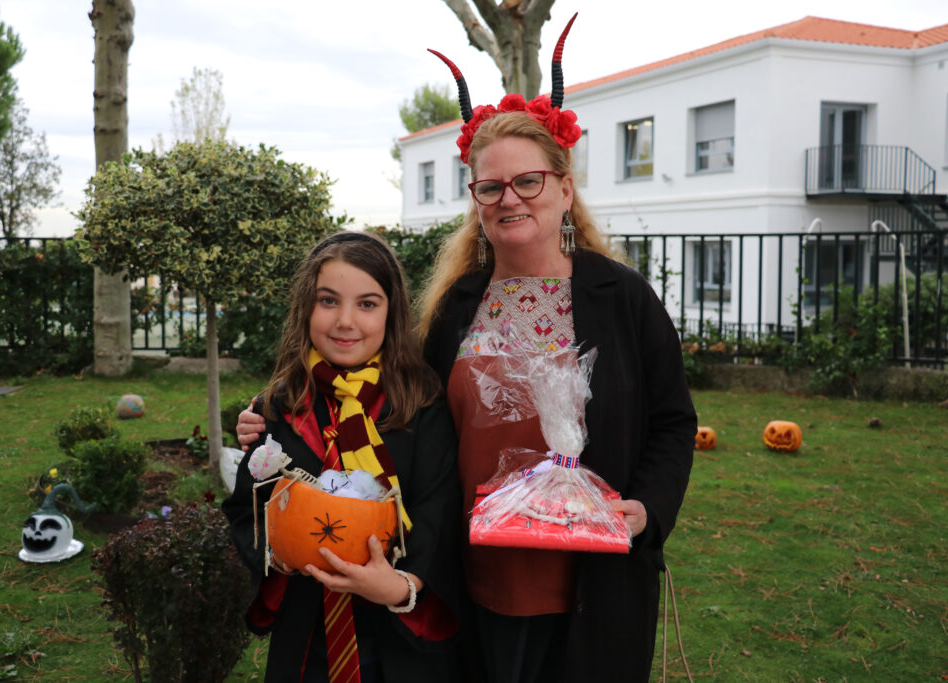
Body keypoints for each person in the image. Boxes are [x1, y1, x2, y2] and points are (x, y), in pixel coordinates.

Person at [240, 16, 695, 682]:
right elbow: (392, 396)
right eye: (491, 187)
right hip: (473, 573)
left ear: (565, 189)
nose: (510, 198)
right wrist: (272, 414)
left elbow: (673, 420)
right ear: (477, 202)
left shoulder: (622, 300)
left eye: (528, 181)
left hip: (594, 579)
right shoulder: (458, 306)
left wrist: (648, 509)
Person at [223, 232, 461, 683]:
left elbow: (439, 508)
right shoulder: (279, 405)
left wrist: (402, 586)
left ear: (391, 313)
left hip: (397, 638)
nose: (345, 321)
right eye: (328, 301)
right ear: (305, 309)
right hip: (307, 633)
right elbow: (245, 507)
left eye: (367, 304)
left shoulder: (420, 402)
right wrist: (277, 553)